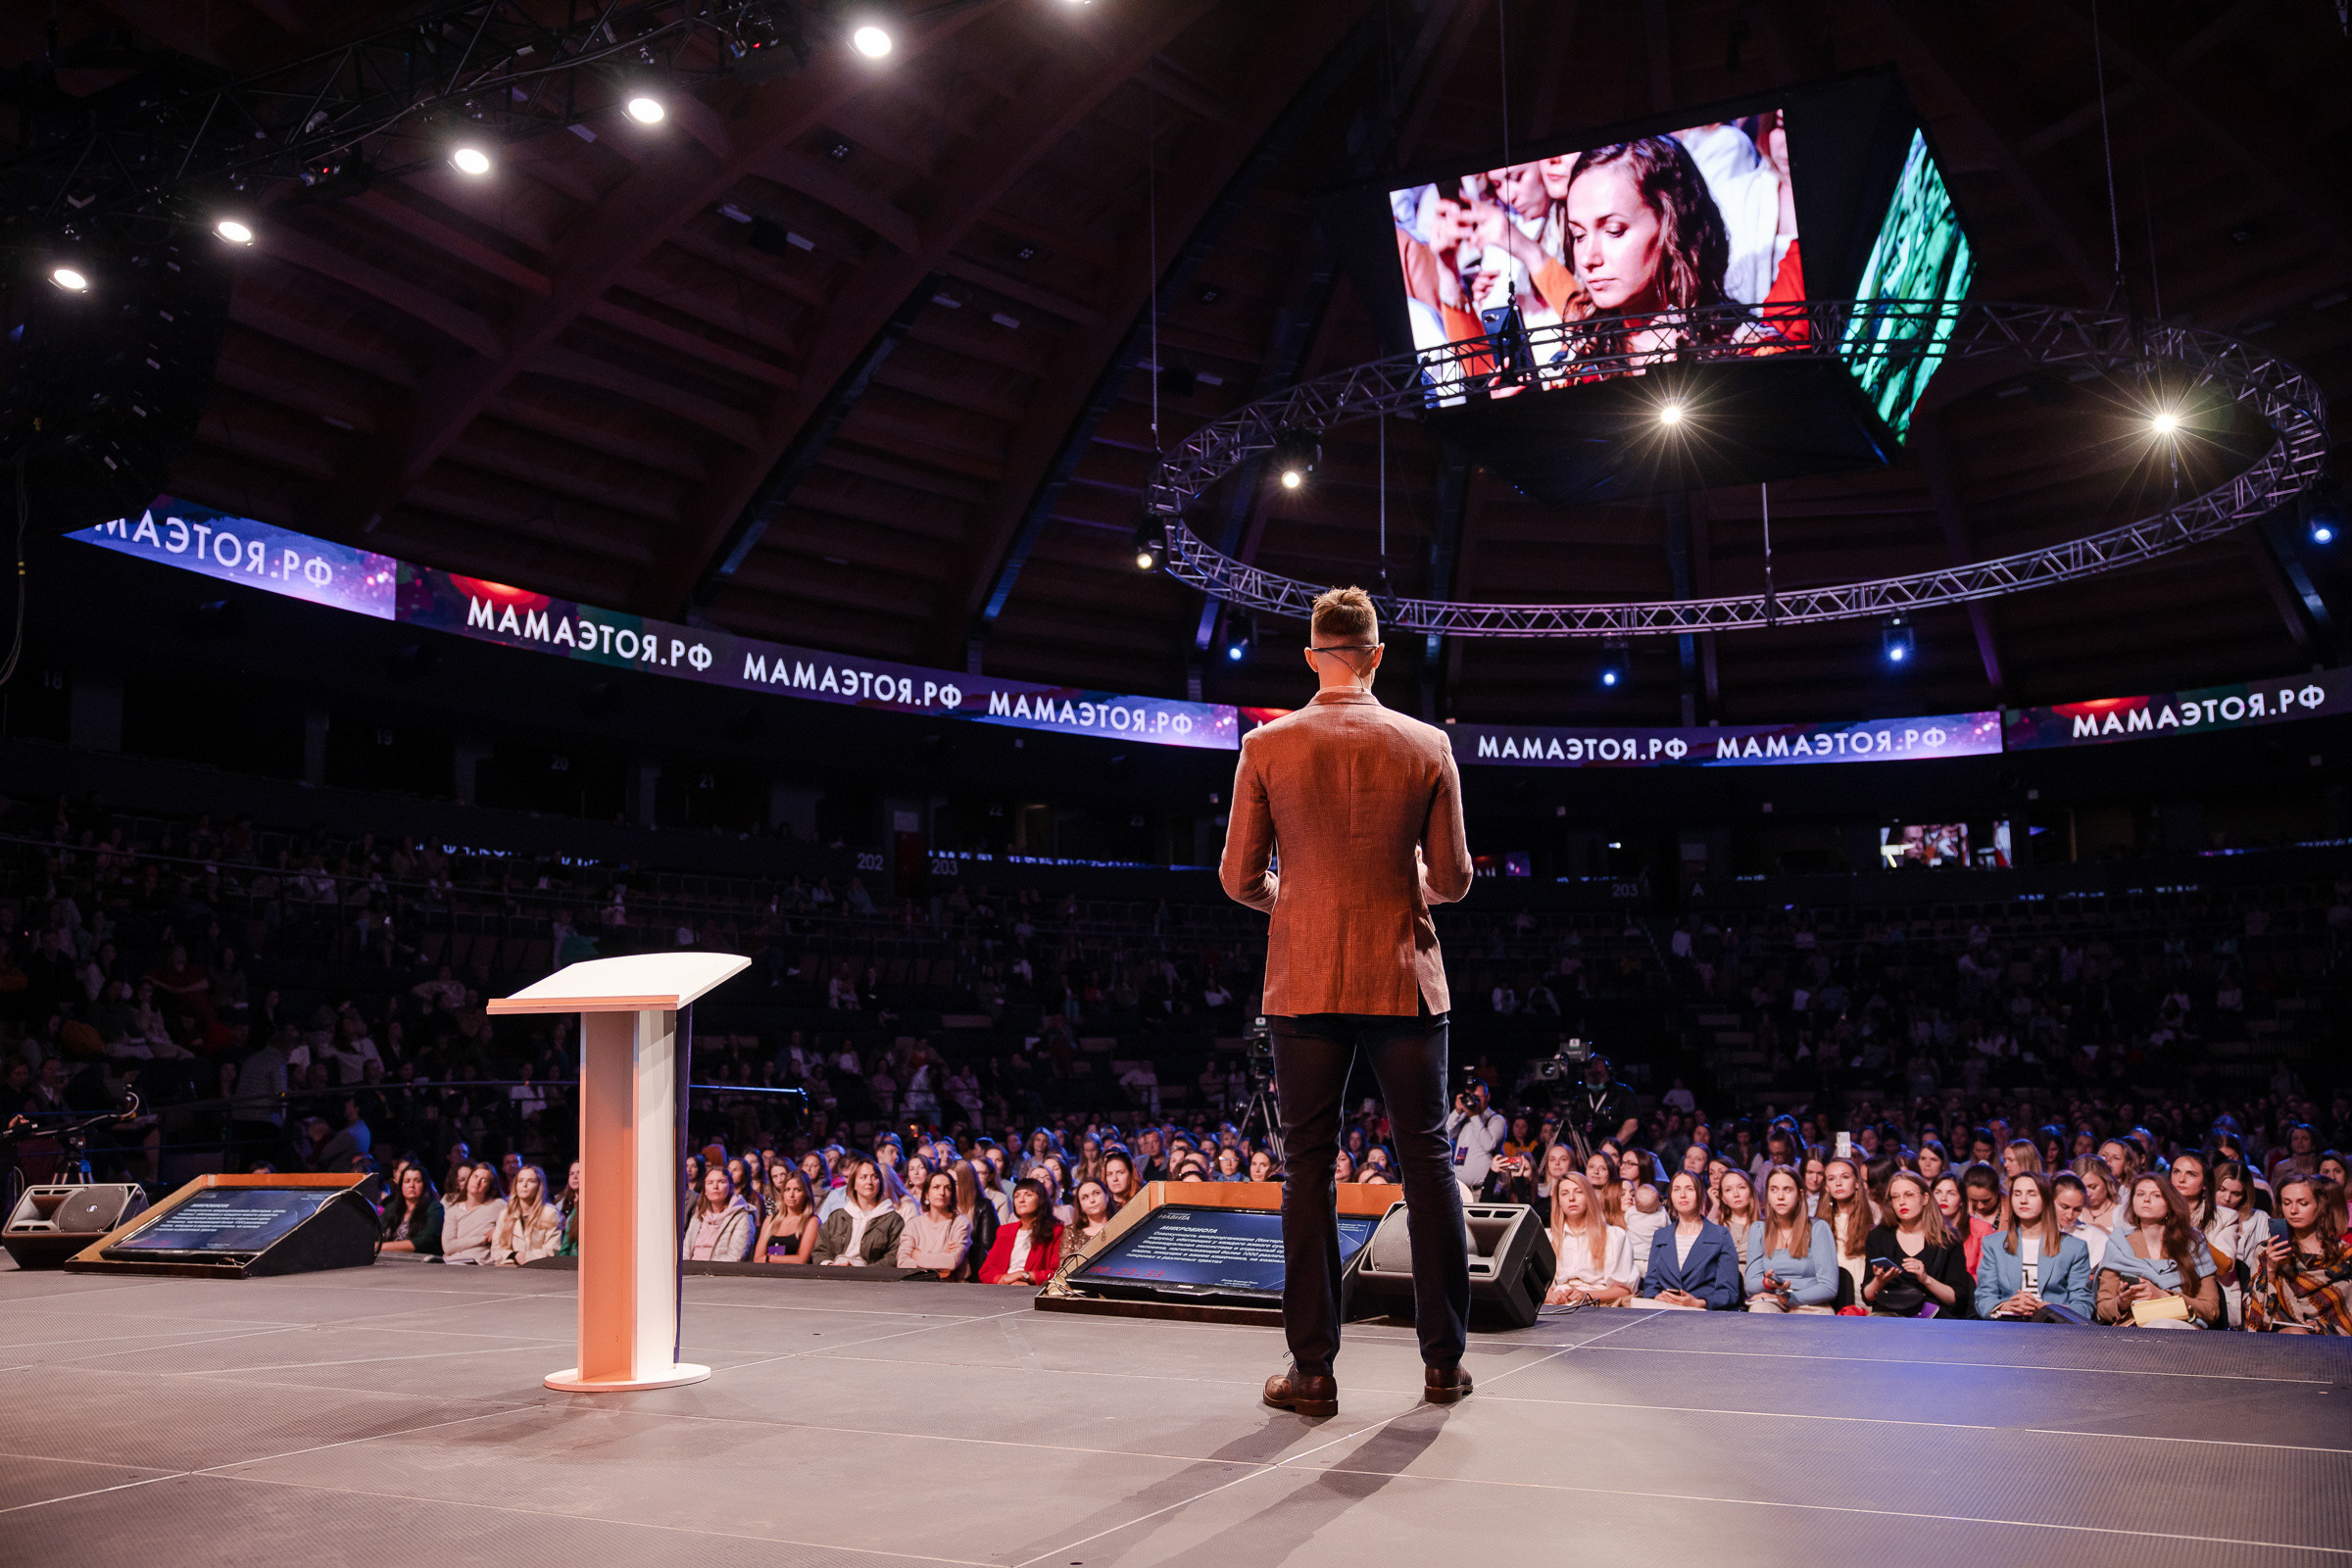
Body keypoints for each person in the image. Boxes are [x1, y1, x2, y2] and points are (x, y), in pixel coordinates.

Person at [1219, 585, 1474, 1419]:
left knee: (1306, 1170)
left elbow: (1238, 880)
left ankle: (1314, 1372)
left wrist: (1300, 900)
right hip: (1402, 973)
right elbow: (1457, 879)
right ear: (1374, 655)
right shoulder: (1426, 743)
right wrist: (1401, 896)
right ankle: (1442, 1366)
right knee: (1428, 1163)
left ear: (1311, 656)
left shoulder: (1267, 745)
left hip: (1305, 979)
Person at [2096, 1174, 2222, 1329]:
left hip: (2181, 1326)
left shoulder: (2193, 1244)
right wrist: (2122, 1302)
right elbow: (2103, 1308)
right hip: (2132, 1328)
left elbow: (2211, 1310)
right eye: (2140, 1194)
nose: (2146, 1200)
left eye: (2156, 1195)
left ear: (2170, 1203)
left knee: (2163, 1325)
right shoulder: (2118, 1245)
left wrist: (2164, 1297)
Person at [1974, 1170, 2093, 1321]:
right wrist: (2008, 1306)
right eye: (2017, 1194)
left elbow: (2083, 1307)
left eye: (2032, 1194)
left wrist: (2044, 1307)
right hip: (2008, 1327)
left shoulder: (2074, 1248)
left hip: (2055, 1329)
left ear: (2046, 1199)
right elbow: (1983, 1300)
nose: (2023, 1200)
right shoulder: (1994, 1244)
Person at [2244, 1176, 2352, 1334]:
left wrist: (2322, 1327)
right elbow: (2254, 1316)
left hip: (2334, 1339)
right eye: (2287, 1203)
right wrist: (2272, 1268)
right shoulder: (2267, 1250)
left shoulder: (2343, 1254)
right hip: (2281, 1336)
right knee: (2297, 1334)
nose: (2293, 1210)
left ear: (2319, 1206)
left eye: (2303, 1203)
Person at [1862, 1170, 1972, 1318]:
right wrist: (1879, 1281)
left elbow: (1956, 1299)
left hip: (1933, 1316)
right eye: (1895, 1197)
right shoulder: (1878, 1236)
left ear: (1925, 1198)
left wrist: (1926, 1279)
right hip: (1889, 1313)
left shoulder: (1947, 1240)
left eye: (1909, 1195)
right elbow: (1867, 1296)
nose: (1901, 1202)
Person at [1641, 1170, 1740, 1309]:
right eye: (1677, 1189)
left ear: (1700, 1194)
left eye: (1689, 1189)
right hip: (1665, 1314)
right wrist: (1657, 1297)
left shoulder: (1719, 1235)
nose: (1682, 1195)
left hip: (1704, 1316)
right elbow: (1651, 1286)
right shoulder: (1661, 1236)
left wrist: (1698, 1303)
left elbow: (1729, 1292)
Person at [1743, 1165, 1838, 1312]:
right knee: (1759, 1309)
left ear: (1800, 1194)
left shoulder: (1818, 1228)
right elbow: (1750, 1286)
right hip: (1773, 1300)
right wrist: (1768, 1283)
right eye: (1774, 1189)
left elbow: (1828, 1287)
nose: (1780, 1197)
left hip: (1810, 1304)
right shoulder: (1759, 1229)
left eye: (1787, 1189)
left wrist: (1789, 1298)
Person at [1543, 1171, 1636, 1307]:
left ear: (1588, 1197)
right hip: (1560, 1305)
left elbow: (1623, 1290)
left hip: (1598, 1304)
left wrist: (1586, 1295)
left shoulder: (1614, 1236)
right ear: (1558, 1201)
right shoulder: (1549, 1238)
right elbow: (1542, 1286)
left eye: (1578, 1192)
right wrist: (1550, 1296)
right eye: (1564, 1193)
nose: (1571, 1198)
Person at [812, 1158, 905, 1266]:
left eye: (874, 1177)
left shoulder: (893, 1220)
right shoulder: (837, 1217)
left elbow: (893, 1256)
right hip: (834, 1274)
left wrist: (864, 1272)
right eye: (863, 1177)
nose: (869, 1182)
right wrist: (830, 1266)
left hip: (870, 1279)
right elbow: (820, 1249)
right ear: (854, 1184)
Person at [979, 1177, 1063, 1286]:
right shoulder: (1005, 1231)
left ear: (1041, 1199)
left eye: (1028, 1195)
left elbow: (1057, 1273)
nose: (1021, 1200)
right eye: (1017, 1196)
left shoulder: (1056, 1230)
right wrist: (1006, 1280)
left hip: (1033, 1289)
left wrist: (1023, 1276)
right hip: (1003, 1288)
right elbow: (986, 1272)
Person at [1816, 1154, 1876, 1303]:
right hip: (1831, 1289)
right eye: (1831, 1178)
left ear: (1856, 1182)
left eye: (1845, 1177)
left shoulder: (1873, 1215)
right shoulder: (1818, 1222)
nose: (1838, 1183)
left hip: (1863, 1289)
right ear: (1826, 1187)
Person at [898, 1170, 973, 1279]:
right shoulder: (913, 1225)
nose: (942, 1192)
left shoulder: (960, 1224)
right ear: (927, 1194)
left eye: (947, 1188)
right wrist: (941, 1256)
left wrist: (917, 1255)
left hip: (952, 1287)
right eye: (936, 1187)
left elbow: (951, 1262)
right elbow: (902, 1263)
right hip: (916, 1285)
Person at [488, 1164, 564, 1265]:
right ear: (516, 1185)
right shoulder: (506, 1213)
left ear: (539, 1186)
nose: (524, 1185)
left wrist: (526, 1258)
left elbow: (552, 1250)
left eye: (531, 1181)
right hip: (509, 1269)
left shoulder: (550, 1213)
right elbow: (496, 1250)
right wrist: (515, 1255)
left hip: (540, 1270)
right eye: (520, 1181)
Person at [1445, 1078, 1506, 1200]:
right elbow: (1444, 1134)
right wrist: (1457, 1112)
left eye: (1478, 1097)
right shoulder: (1463, 1119)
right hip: (1460, 1190)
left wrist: (1474, 1116)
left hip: (1482, 1190)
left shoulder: (1496, 1120)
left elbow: (1489, 1145)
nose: (1474, 1101)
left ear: (1488, 1096)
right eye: (1471, 1097)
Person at [682, 1164, 757, 1263]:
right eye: (710, 1183)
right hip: (692, 1274)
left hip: (721, 1275)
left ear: (730, 1187)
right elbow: (685, 1253)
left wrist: (703, 1269)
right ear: (705, 1190)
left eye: (721, 1182)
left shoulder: (742, 1217)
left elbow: (735, 1257)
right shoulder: (698, 1216)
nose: (715, 1187)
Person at [1567, 1054, 1640, 1151]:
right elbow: (1573, 1124)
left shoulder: (1624, 1092)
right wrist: (1578, 1150)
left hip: (1618, 1152)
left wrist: (1611, 1149)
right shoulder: (1581, 1095)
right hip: (1589, 1151)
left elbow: (1631, 1124)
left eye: (1598, 1073)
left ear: (1608, 1070)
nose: (1593, 1069)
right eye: (1590, 1073)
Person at [439, 1163, 506, 1264]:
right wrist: (483, 1239)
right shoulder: (453, 1211)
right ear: (469, 1179)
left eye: (484, 1180)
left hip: (481, 1263)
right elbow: (448, 1247)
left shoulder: (498, 1205)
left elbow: (512, 1229)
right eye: (475, 1177)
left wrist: (499, 1230)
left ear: (490, 1186)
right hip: (452, 1262)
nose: (477, 1182)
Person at [756, 1169, 820, 1264]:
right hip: (767, 1276)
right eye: (787, 1190)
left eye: (797, 1190)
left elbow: (801, 1260)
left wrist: (769, 1258)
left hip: (796, 1276)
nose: (791, 1195)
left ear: (806, 1193)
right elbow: (757, 1259)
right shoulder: (770, 1220)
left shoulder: (812, 1221)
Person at [377, 1166, 443, 1256]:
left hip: (419, 1262)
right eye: (407, 1181)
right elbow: (376, 1231)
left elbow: (422, 1242)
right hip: (387, 1259)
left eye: (417, 1181)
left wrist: (381, 1247)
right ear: (401, 1186)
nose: (412, 1185)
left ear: (424, 1184)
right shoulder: (391, 1207)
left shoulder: (435, 1208)